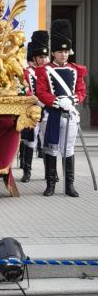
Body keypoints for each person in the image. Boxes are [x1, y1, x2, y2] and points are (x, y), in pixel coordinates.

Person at [35, 19, 87, 197]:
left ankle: (69, 186)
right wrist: (57, 102)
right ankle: (50, 185)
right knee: (51, 148)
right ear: (54, 53)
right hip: (52, 115)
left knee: (68, 150)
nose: (63, 55)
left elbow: (81, 90)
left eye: (66, 51)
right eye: (59, 52)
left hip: (70, 114)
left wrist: (73, 100)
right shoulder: (44, 70)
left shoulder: (75, 70)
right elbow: (41, 92)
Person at [20, 31, 49, 183]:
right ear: (34, 58)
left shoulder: (49, 72)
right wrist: (36, 99)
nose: (43, 60)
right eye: (40, 57)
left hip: (47, 110)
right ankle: (27, 172)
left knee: (46, 142)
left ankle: (49, 173)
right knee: (30, 140)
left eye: (45, 57)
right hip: (32, 111)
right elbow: (25, 89)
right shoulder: (27, 73)